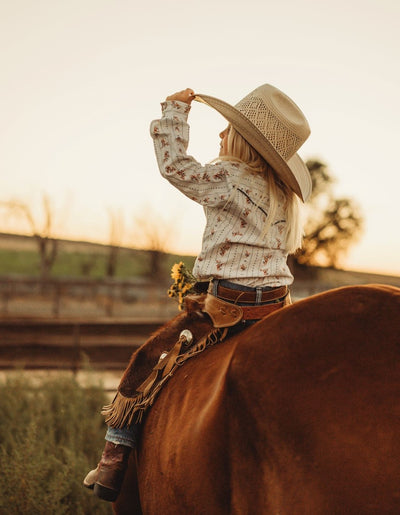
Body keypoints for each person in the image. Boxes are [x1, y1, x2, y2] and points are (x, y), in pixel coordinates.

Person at [83, 83, 312, 501]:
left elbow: (175, 167)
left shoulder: (229, 176)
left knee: (147, 362)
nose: (221, 137)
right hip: (277, 308)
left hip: (227, 307)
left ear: (242, 143)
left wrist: (174, 112)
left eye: (227, 130)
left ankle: (112, 460)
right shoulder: (283, 196)